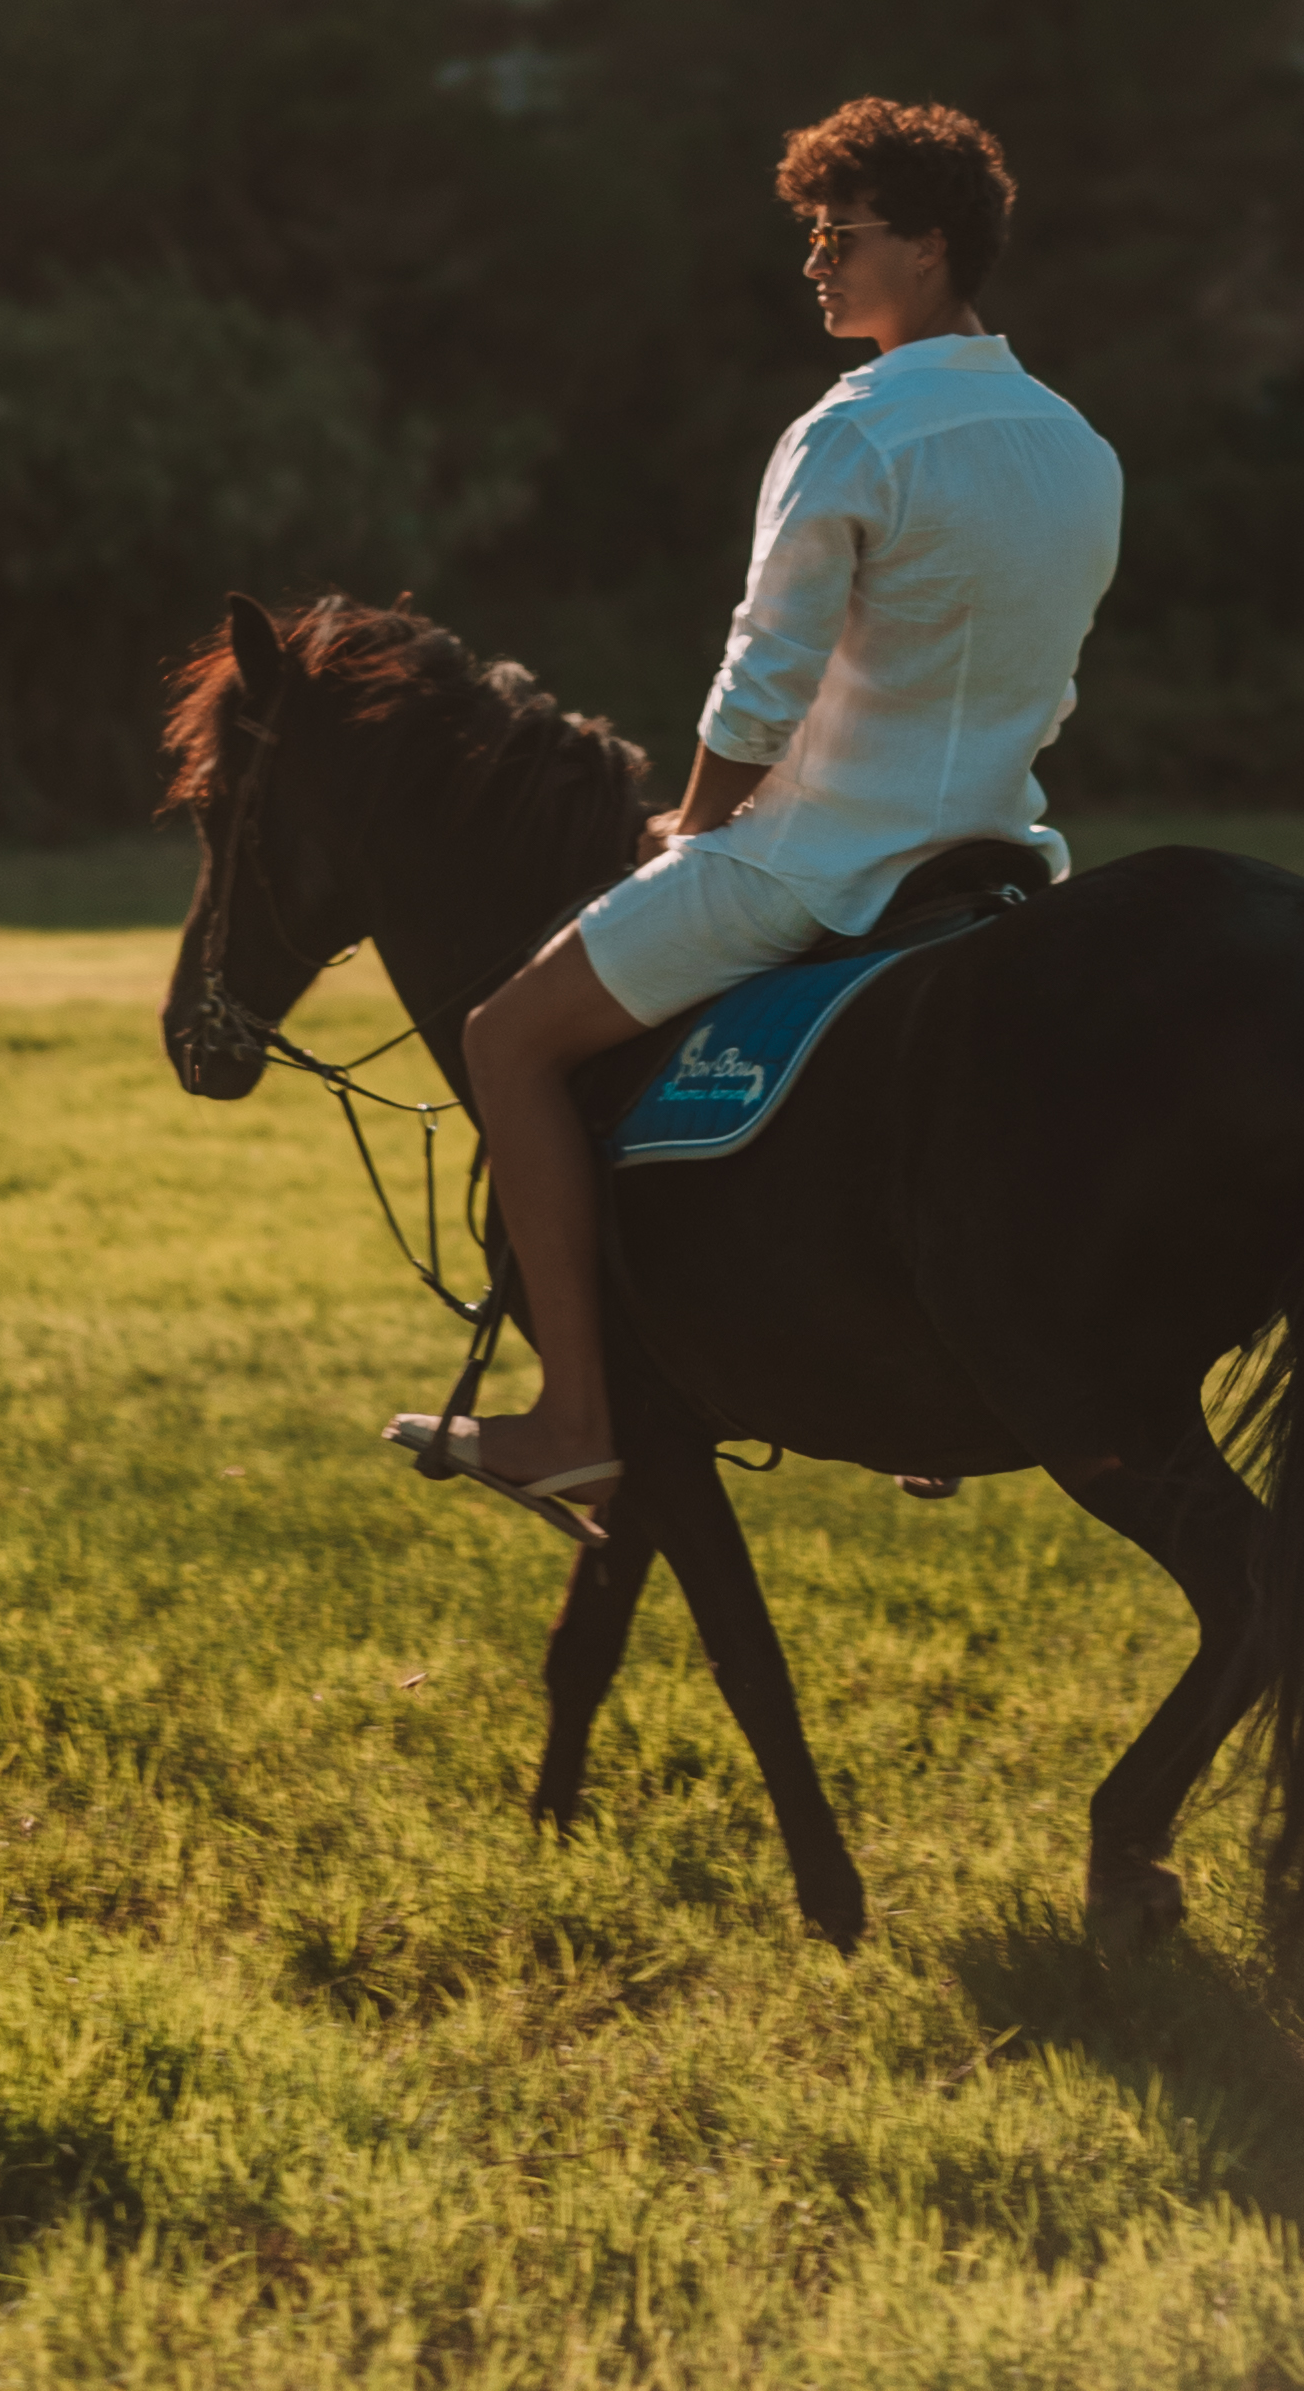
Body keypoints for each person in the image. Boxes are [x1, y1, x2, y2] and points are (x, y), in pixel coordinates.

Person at [438, 96, 1124, 1535]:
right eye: (811, 236)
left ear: (929, 250)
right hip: (999, 859)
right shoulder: (1075, 442)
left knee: (506, 1042)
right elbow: (1043, 689)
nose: (811, 263)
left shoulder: (852, 431)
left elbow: (763, 680)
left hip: (819, 865)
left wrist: (691, 825)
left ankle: (570, 1418)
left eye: (839, 236)